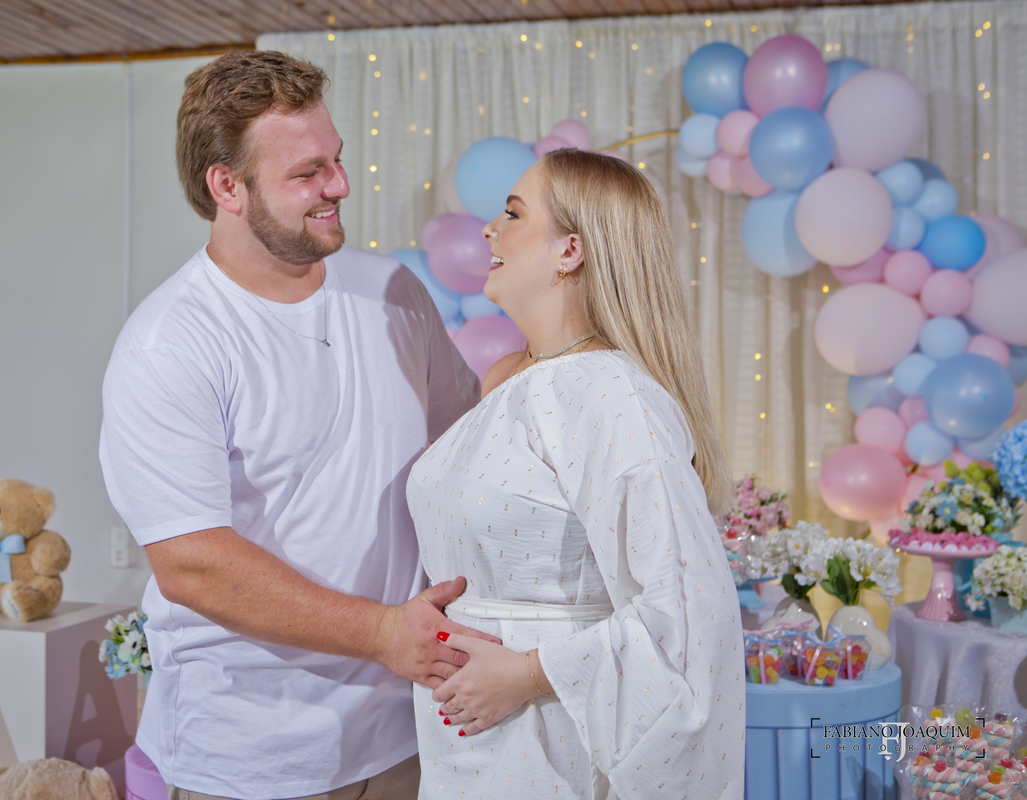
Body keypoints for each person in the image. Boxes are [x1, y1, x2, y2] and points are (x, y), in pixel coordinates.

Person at [99, 50, 490, 800]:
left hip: (405, 733)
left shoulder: (392, 290)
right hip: (250, 755)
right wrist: (382, 633)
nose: (338, 185)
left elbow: (463, 447)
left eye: (336, 160)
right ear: (227, 187)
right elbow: (193, 563)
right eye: (308, 173)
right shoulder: (169, 344)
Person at [406, 149, 745, 799]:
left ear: (570, 251)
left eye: (513, 214)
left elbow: (688, 609)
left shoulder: (611, 393)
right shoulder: (507, 377)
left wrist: (527, 675)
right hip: (462, 736)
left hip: (550, 732)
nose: (488, 230)